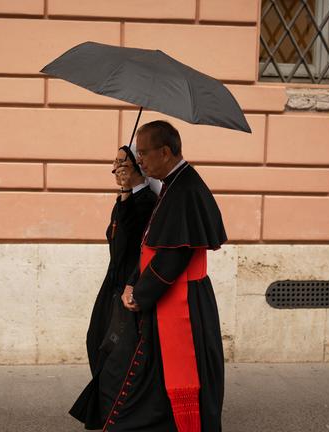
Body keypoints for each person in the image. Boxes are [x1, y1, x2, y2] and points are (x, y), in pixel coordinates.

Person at [102, 120, 228, 431]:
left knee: (181, 373)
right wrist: (134, 281)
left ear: (166, 151)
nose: (139, 160)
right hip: (169, 294)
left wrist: (141, 295)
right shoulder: (175, 184)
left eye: (143, 153)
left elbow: (174, 255)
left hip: (183, 300)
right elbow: (150, 243)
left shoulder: (186, 189)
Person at [69, 142, 158, 429]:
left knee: (118, 351)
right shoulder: (126, 199)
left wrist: (127, 195)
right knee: (96, 340)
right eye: (114, 163)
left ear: (138, 166)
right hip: (113, 283)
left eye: (122, 163)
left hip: (129, 286)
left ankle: (116, 410)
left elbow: (138, 246)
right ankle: (108, 405)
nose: (116, 169)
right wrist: (123, 193)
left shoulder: (146, 203)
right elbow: (116, 238)